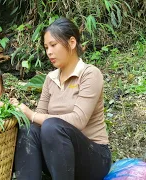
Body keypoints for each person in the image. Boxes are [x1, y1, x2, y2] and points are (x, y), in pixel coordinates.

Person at [10, 17, 112, 180]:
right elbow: (37, 123)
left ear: (72, 43)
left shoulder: (90, 74)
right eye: (46, 47)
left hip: (94, 159)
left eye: (53, 45)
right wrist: (12, 110)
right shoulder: (50, 79)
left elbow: (78, 120)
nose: (49, 52)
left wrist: (32, 115)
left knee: (52, 126)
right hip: (58, 158)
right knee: (28, 130)